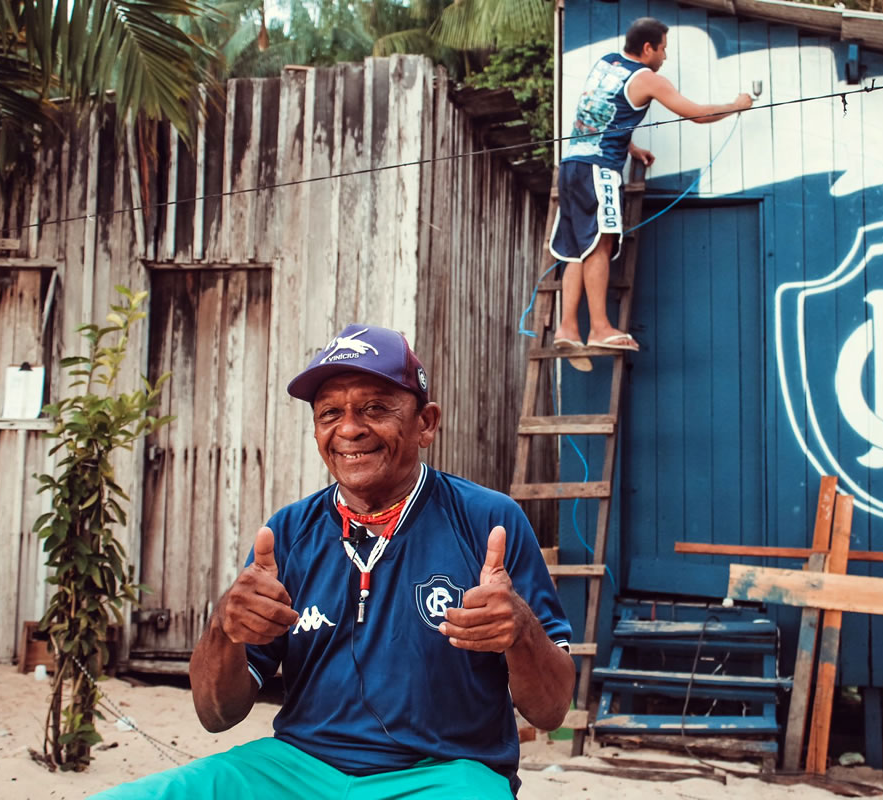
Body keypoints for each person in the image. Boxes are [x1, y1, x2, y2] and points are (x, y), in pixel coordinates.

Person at [93, 323, 575, 799]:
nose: (349, 429)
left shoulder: (487, 520)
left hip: (443, 775)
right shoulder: (286, 533)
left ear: (425, 423)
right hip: (297, 770)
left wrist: (522, 632)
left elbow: (551, 712)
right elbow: (217, 715)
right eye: (329, 413)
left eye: (374, 408)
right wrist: (225, 628)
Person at [550, 16, 753, 362]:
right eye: (663, 49)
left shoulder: (607, 64)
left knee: (576, 249)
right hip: (600, 170)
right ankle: (600, 328)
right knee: (600, 243)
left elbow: (602, 114)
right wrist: (736, 105)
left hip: (572, 165)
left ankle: (567, 329)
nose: (665, 57)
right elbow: (698, 115)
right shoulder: (646, 79)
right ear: (648, 48)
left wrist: (631, 149)